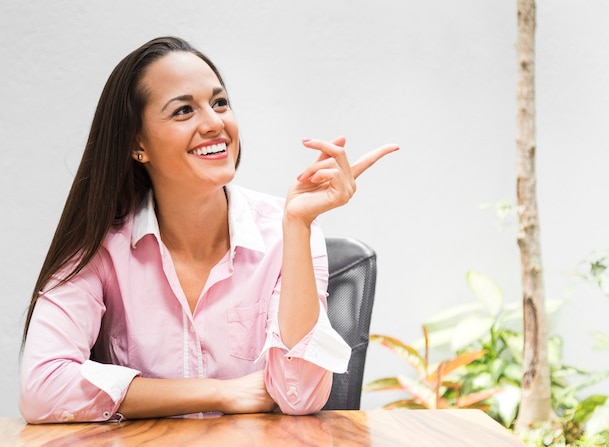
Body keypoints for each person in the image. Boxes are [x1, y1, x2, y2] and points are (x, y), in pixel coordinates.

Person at [19, 36, 398, 424]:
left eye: (219, 103)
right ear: (138, 144)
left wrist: (298, 225)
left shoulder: (286, 233)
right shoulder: (100, 246)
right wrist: (221, 392)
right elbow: (42, 388)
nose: (215, 123)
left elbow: (297, 395)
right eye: (184, 111)